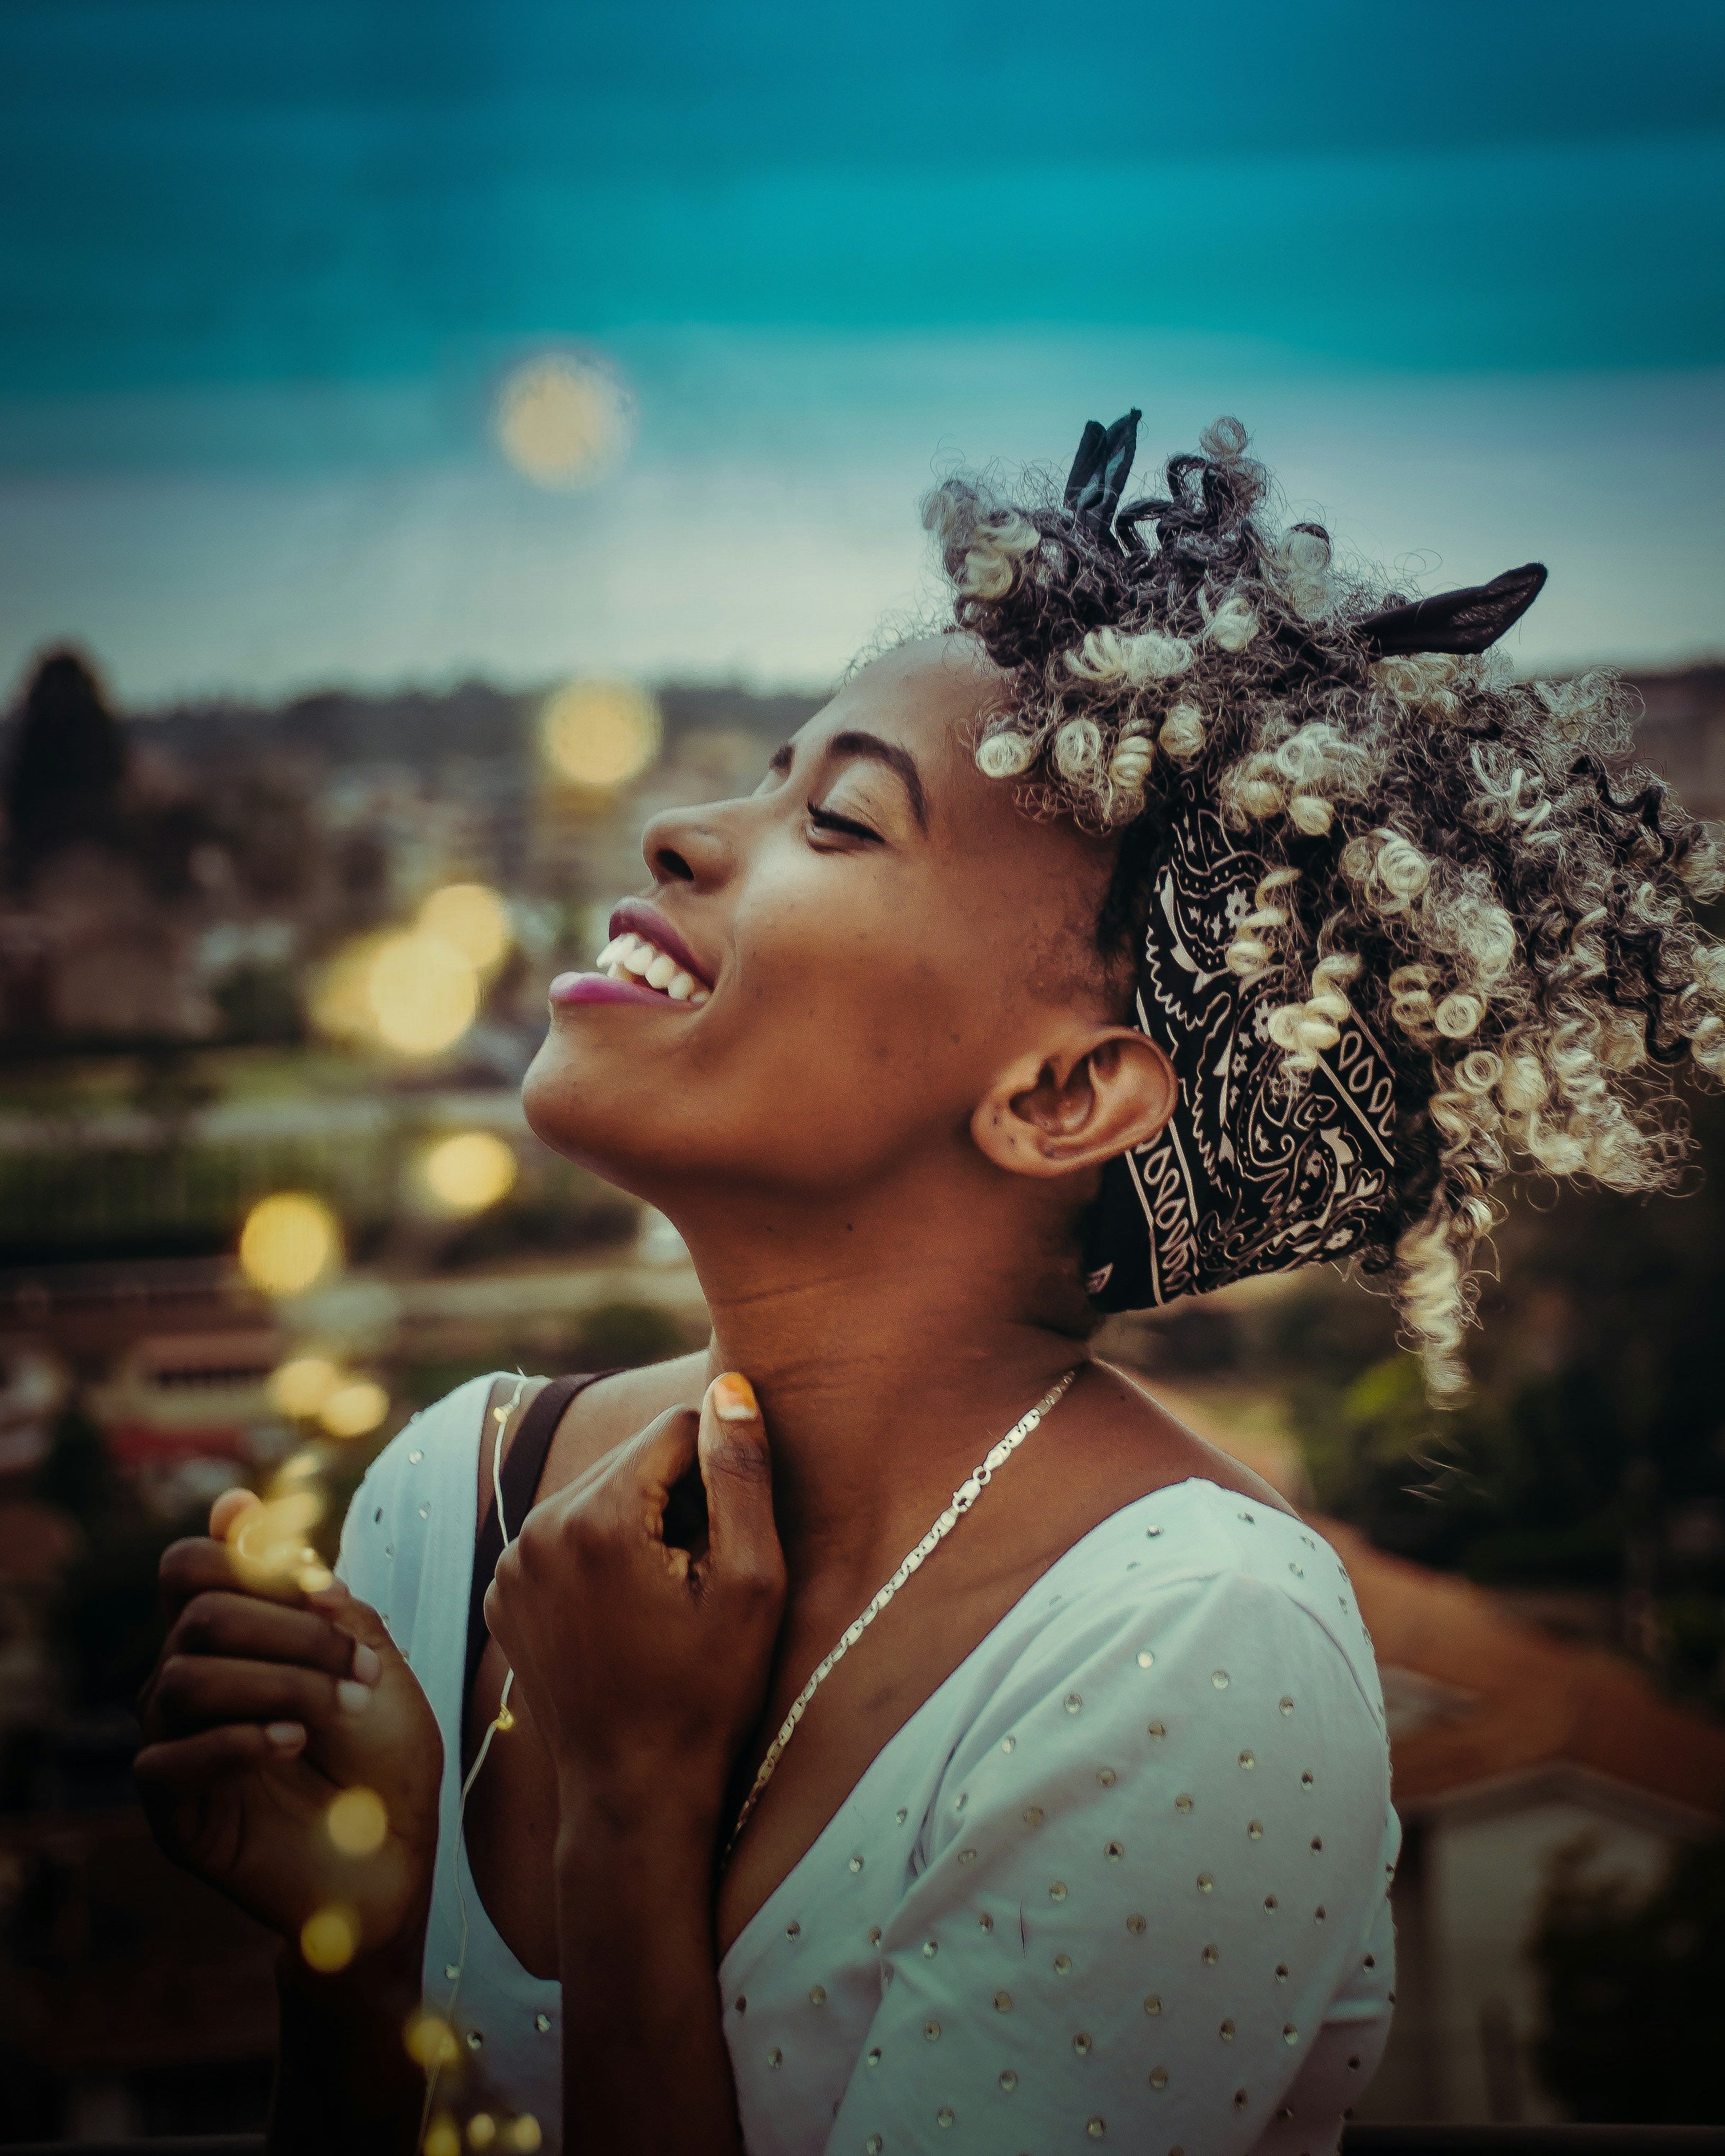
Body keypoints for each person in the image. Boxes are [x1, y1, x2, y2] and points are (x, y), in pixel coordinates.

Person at [134, 413, 1724, 2156]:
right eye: (766, 774)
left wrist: (635, 1815)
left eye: (837, 820)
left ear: (1061, 1095)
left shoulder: (1191, 1661)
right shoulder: (458, 1504)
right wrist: (342, 1974)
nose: (678, 831)